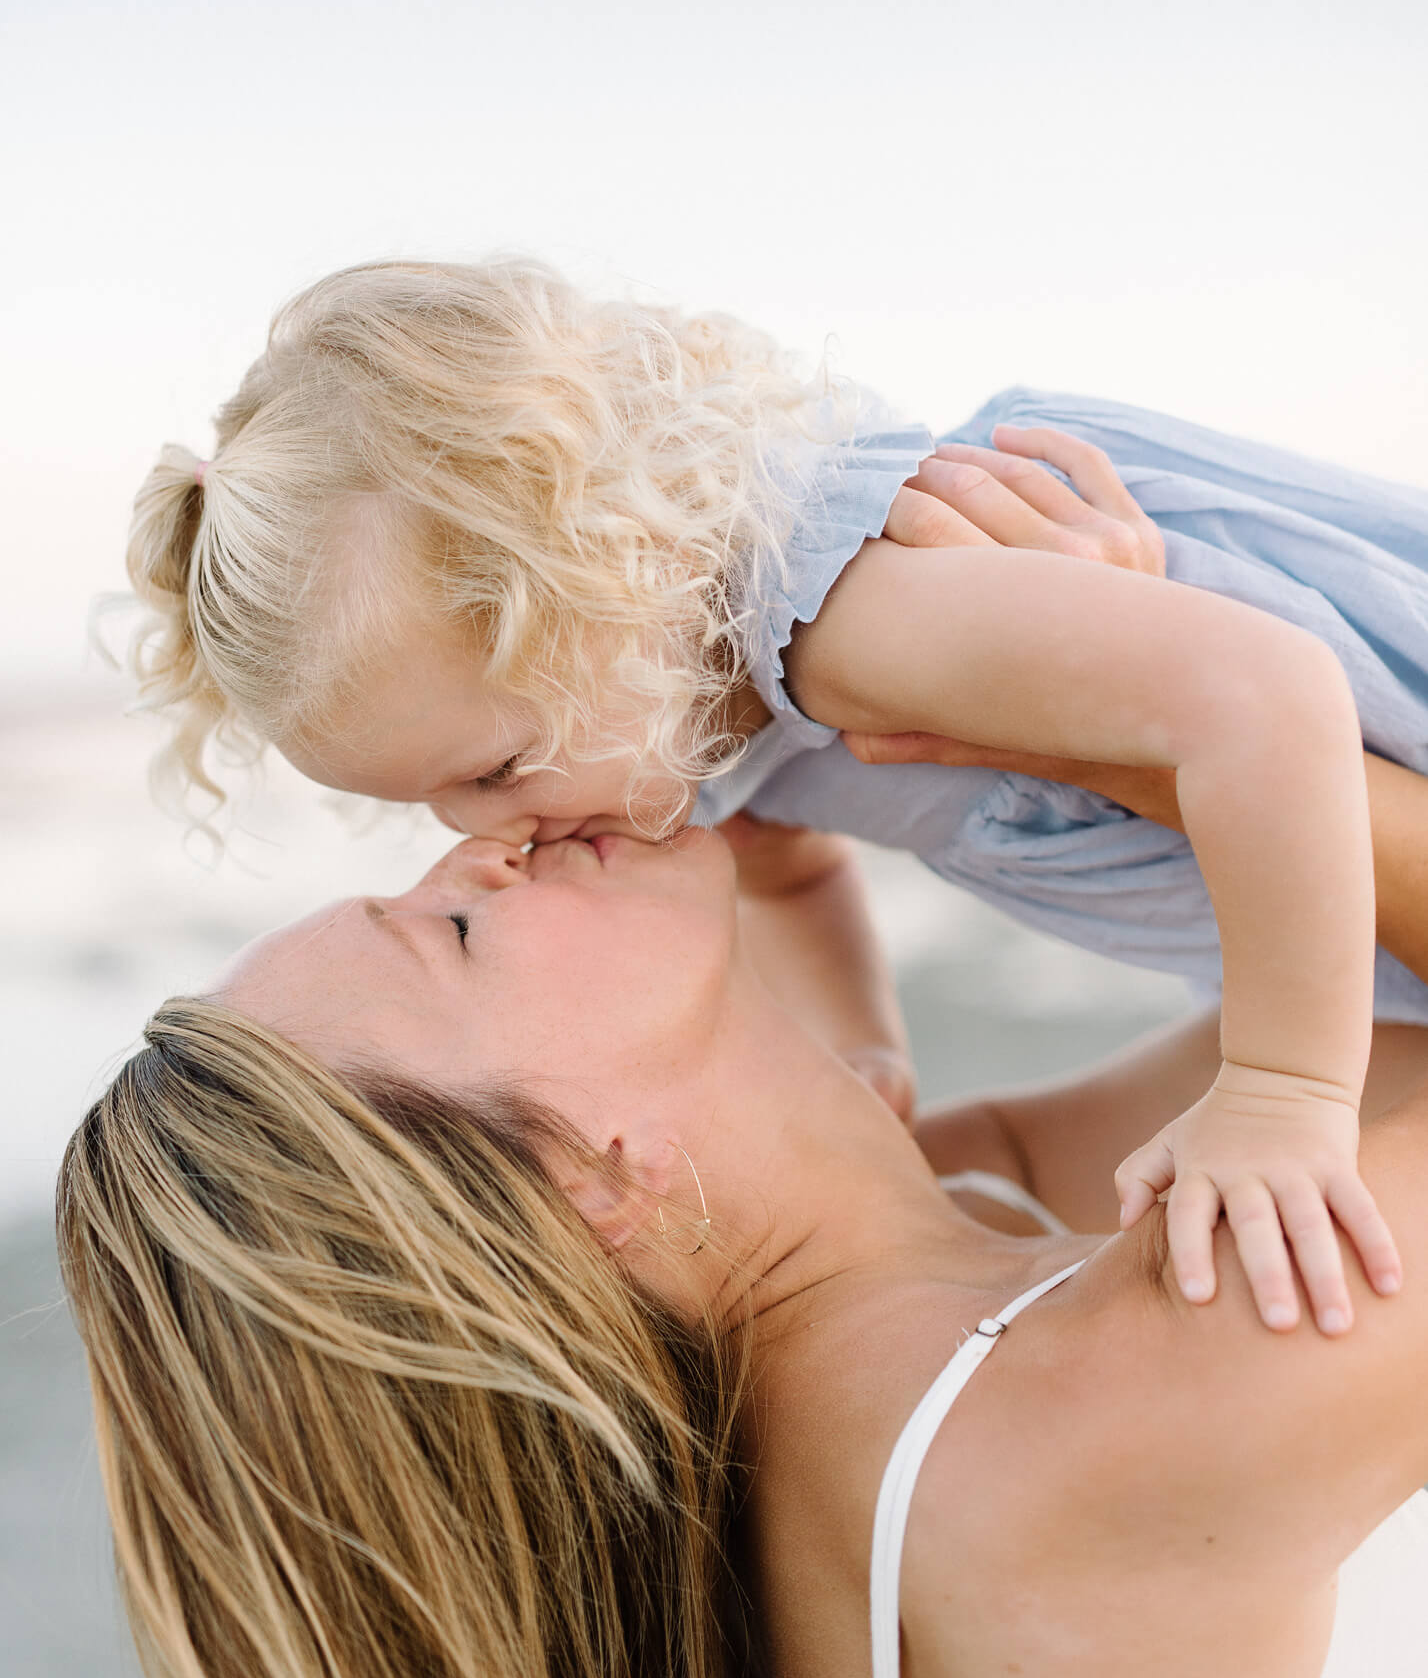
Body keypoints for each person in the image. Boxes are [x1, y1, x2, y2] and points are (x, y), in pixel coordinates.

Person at [58, 824, 1428, 1678]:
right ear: (592, 1185)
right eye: (460, 929)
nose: (483, 847)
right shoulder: (1077, 1430)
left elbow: (1382, 1037)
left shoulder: (891, 1345)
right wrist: (1148, 726)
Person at [123, 259, 1428, 1332]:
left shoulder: (848, 625)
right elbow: (789, 866)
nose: (484, 837)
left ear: (597, 582)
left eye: (492, 771)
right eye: (431, 806)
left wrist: (1280, 1092)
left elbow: (1274, 703)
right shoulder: (671, 710)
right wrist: (869, 1050)